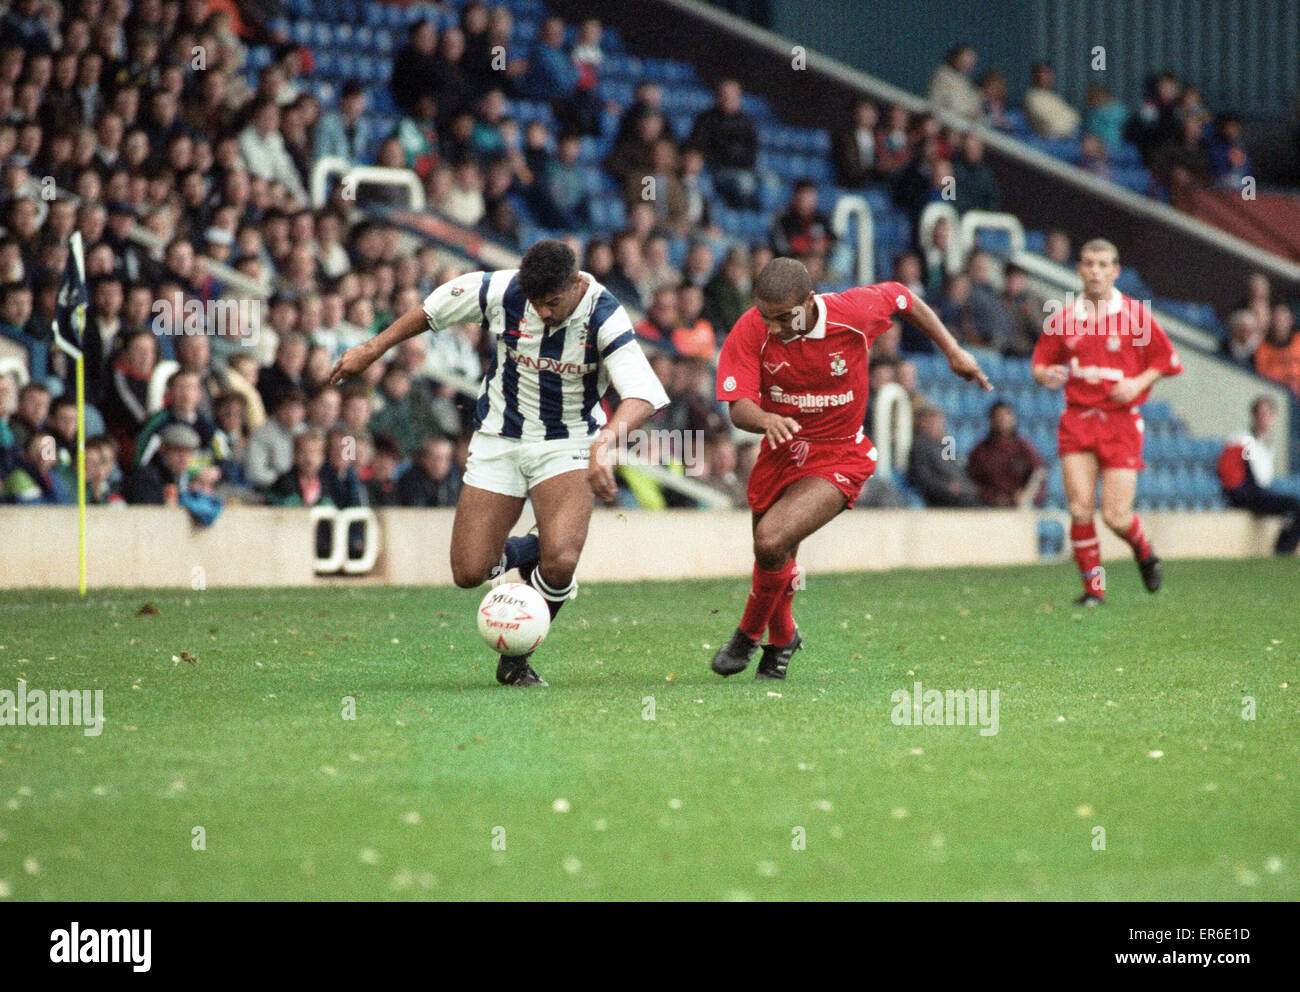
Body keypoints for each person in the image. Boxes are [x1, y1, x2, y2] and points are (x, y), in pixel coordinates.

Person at [329, 239, 669, 687]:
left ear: (575, 284)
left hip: (568, 443)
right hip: (498, 440)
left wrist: (605, 442)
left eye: (551, 303)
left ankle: (518, 658)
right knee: (469, 572)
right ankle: (531, 548)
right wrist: (371, 350)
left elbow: (643, 395)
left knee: (562, 559)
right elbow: (430, 311)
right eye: (536, 304)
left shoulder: (604, 313)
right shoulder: (500, 290)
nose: (543, 314)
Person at [709, 257, 990, 679]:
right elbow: (739, 407)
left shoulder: (854, 312)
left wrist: (953, 351)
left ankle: (748, 633)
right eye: (768, 318)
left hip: (839, 454)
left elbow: (904, 298)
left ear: (809, 300)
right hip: (782, 450)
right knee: (774, 554)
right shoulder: (752, 328)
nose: (775, 328)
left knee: (770, 541)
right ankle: (783, 637)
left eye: (784, 318)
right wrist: (766, 420)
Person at [1031, 238, 1183, 606]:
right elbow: (1039, 363)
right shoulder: (1065, 317)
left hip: (1120, 423)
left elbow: (1169, 361)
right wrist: (1046, 374)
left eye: (1103, 265)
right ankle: (1093, 591)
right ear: (1080, 269)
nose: (1095, 271)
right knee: (1080, 508)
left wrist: (1137, 383)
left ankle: (1144, 553)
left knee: (1116, 515)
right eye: (1089, 264)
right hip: (1078, 419)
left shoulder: (1135, 315)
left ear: (1115, 271)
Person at [1217, 396, 1300, 555]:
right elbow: (1229, 470)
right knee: (1295, 504)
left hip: (1259, 490)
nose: (1265, 418)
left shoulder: (1266, 442)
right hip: (1246, 492)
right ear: (1254, 416)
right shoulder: (1242, 440)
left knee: (1293, 506)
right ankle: (1282, 551)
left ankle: (1284, 549)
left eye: (1268, 414)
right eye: (1261, 414)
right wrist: (1239, 490)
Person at [965, 401, 1047, 507]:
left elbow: (1039, 477)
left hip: (1019, 510)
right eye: (999, 416)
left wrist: (1026, 496)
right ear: (991, 420)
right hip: (988, 510)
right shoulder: (980, 452)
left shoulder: (1025, 449)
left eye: (1007, 415)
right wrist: (994, 498)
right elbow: (971, 483)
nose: (1003, 420)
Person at [908, 405, 981, 507]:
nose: (940, 425)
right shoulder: (920, 445)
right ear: (923, 423)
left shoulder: (946, 442)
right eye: (935, 422)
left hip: (961, 490)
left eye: (940, 421)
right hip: (941, 495)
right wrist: (946, 487)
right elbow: (922, 476)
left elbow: (957, 468)